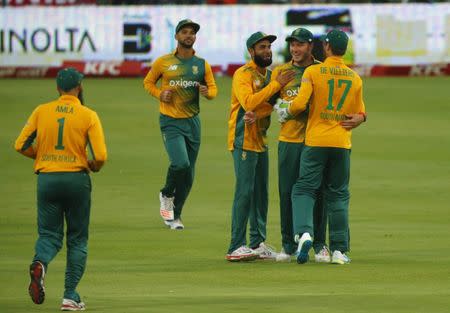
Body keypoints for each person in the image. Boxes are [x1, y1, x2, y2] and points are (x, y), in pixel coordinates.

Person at [14, 67, 107, 310]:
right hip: (76, 180)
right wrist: (93, 166)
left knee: (49, 235)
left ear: (57, 88)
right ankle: (69, 295)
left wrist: (42, 156)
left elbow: (20, 144)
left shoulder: (41, 111)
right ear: (79, 87)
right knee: (77, 239)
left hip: (47, 179)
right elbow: (100, 155)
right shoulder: (88, 114)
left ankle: (40, 263)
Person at [277, 29, 366, 265]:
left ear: (325, 47)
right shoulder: (355, 78)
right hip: (341, 141)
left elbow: (300, 104)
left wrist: (285, 110)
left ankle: (304, 232)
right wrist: (361, 118)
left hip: (316, 140)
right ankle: (339, 250)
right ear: (344, 50)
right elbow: (358, 113)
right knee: (337, 195)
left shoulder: (313, 71)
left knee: (303, 188)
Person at [226, 31, 295, 261]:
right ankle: (235, 245)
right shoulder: (242, 74)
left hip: (261, 140)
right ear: (251, 51)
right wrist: (275, 85)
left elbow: (271, 106)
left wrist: (264, 104)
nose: (267, 51)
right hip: (242, 139)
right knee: (245, 192)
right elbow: (248, 103)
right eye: (262, 47)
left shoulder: (268, 76)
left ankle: (256, 243)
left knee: (261, 195)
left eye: (268, 47)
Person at [143, 19, 217, 230]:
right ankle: (166, 193)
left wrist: (207, 93)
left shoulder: (201, 64)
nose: (188, 35)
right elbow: (148, 82)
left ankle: (175, 216)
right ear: (176, 36)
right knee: (181, 164)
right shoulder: (163, 62)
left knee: (189, 174)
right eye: (184, 32)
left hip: (193, 121)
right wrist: (159, 93)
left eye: (192, 33)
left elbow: (213, 89)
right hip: (170, 121)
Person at [267, 28, 330, 263]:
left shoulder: (320, 70)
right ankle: (289, 244)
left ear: (310, 46)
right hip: (289, 141)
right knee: (286, 193)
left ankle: (320, 244)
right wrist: (281, 106)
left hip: (316, 140)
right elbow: (270, 101)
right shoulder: (282, 71)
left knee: (318, 192)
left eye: (300, 44)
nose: (295, 49)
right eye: (292, 44)